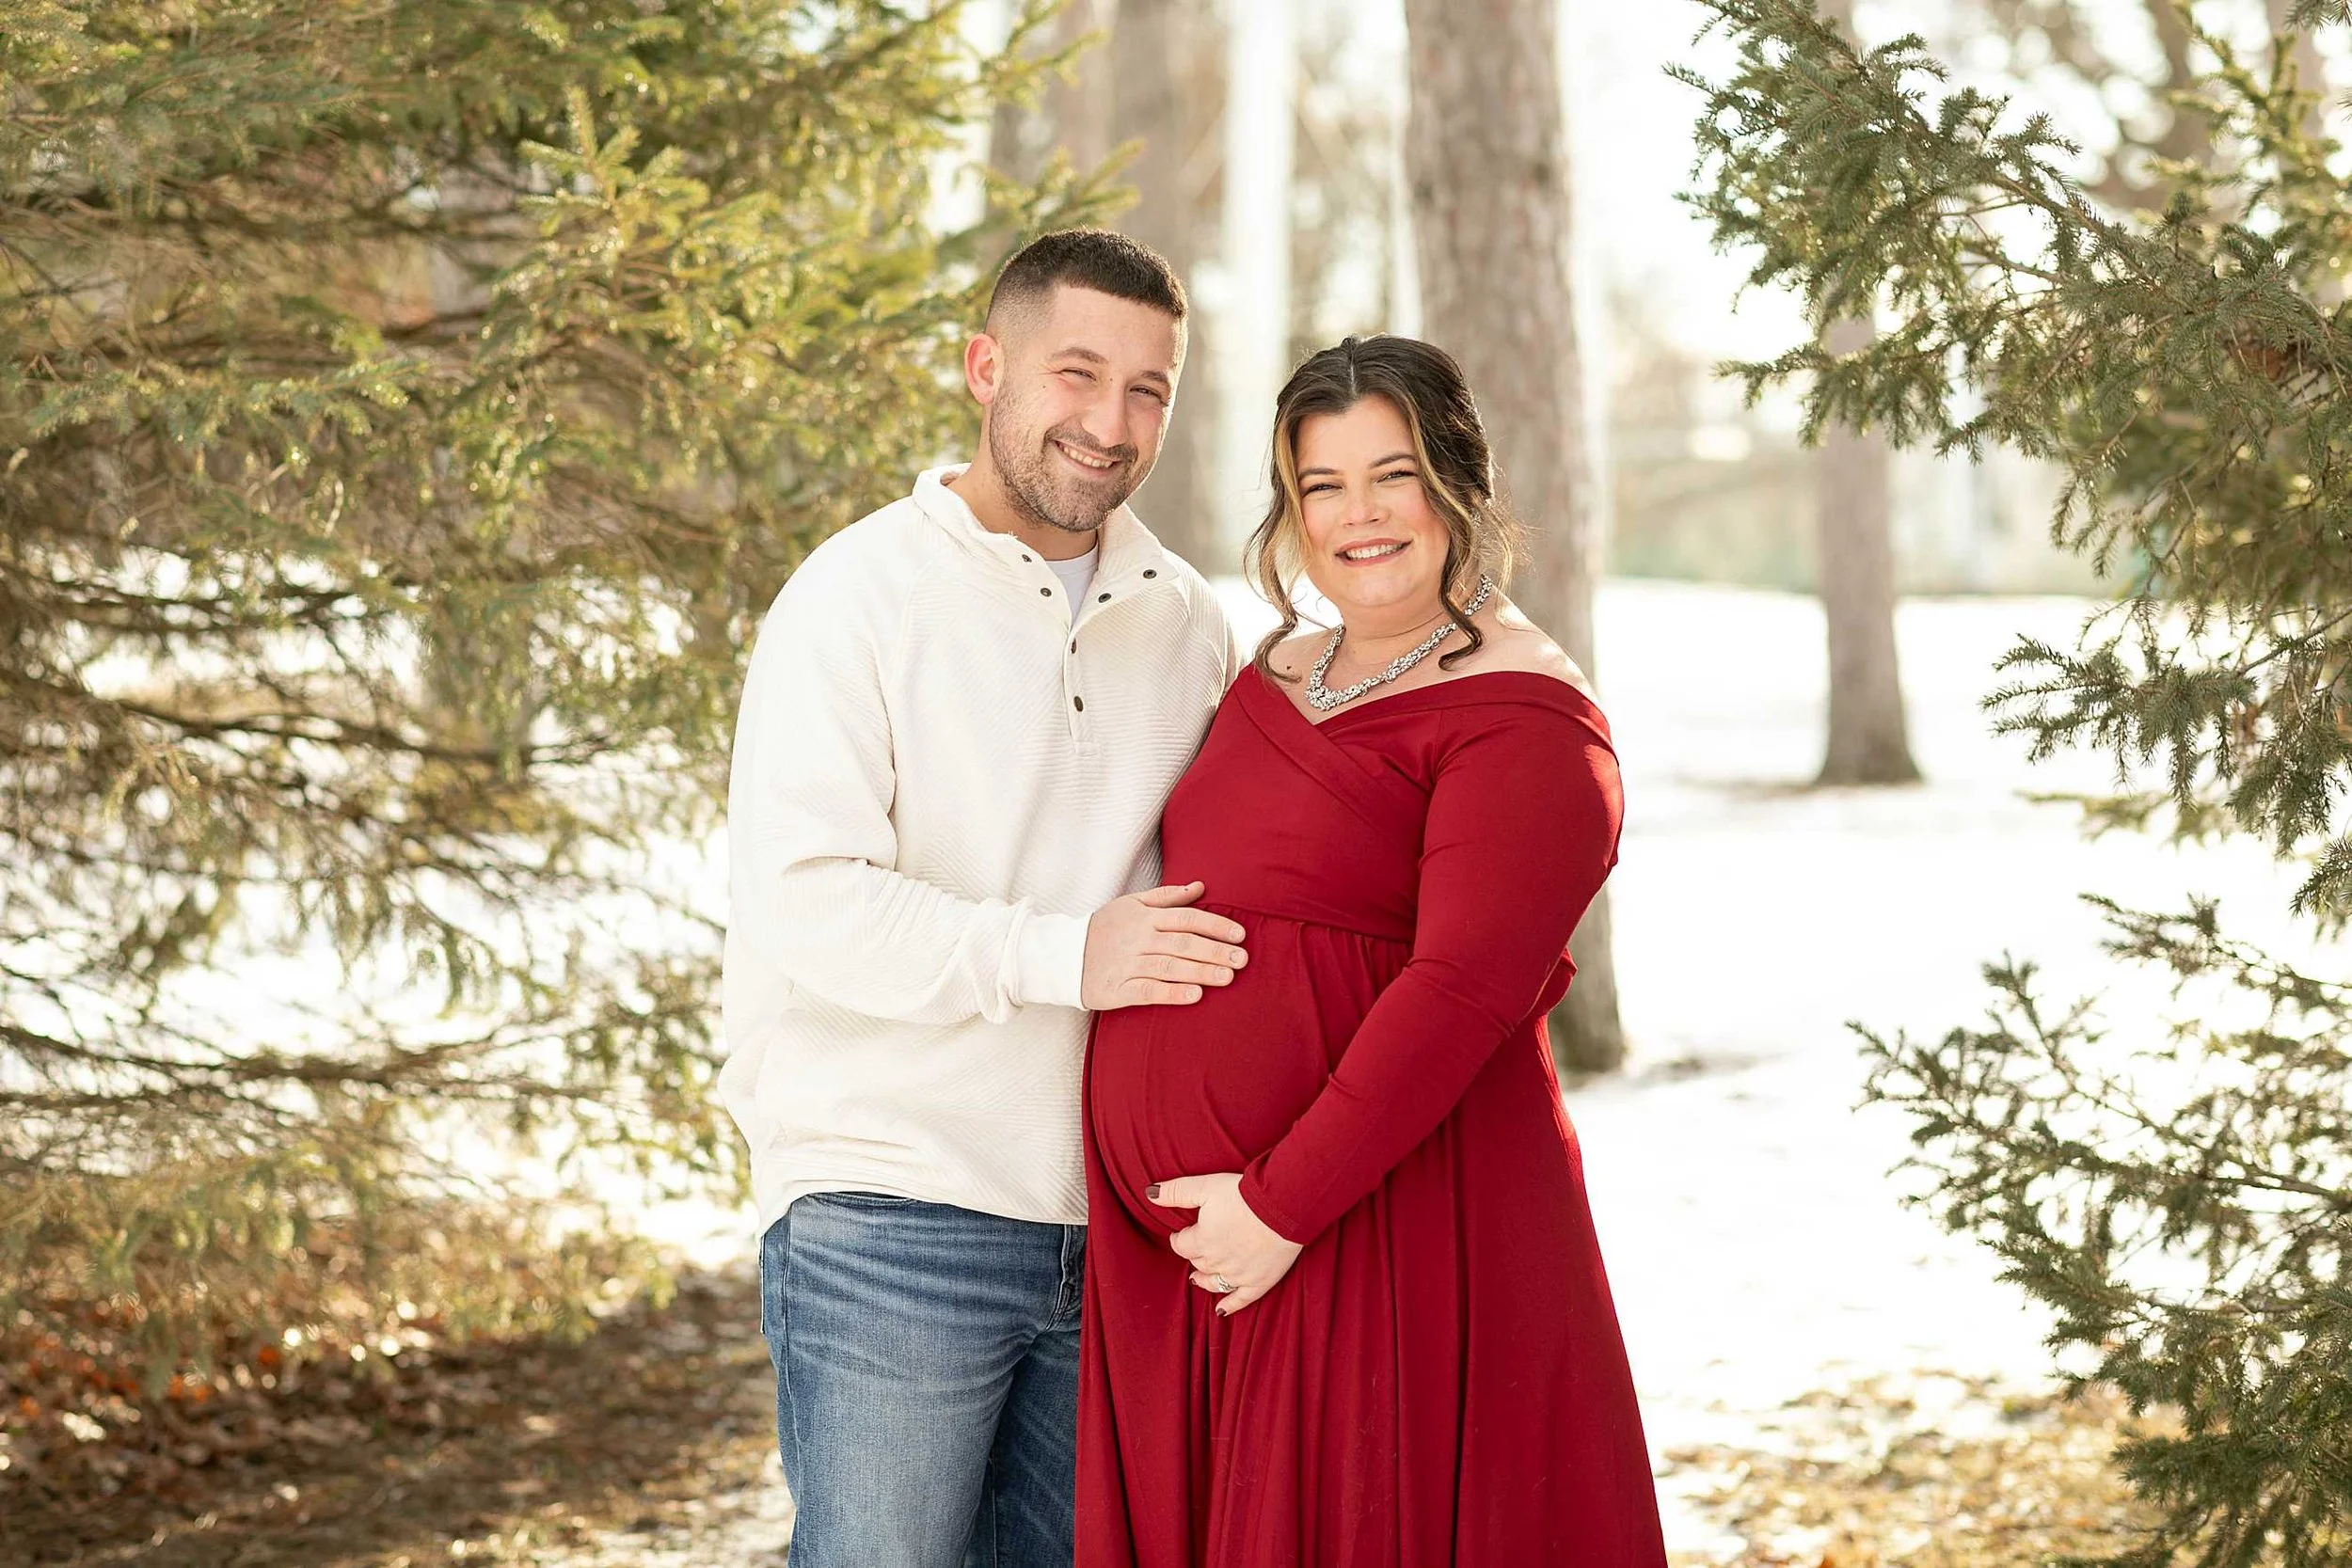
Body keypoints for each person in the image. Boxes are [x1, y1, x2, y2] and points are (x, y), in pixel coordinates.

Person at [1077, 335, 1669, 1565]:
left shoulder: (1530, 719)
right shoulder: (1282, 666)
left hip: (1371, 1235)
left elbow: (1460, 992)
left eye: (1390, 475)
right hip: (1214, 1262)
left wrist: (1280, 1204)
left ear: (1456, 477)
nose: (1359, 516)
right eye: (1322, 485)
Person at [720, 229, 1249, 1568]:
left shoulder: (1186, 623)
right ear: (984, 367)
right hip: (890, 1206)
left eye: (1149, 390)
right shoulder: (856, 597)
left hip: (1116, 1229)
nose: (1110, 422)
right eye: (1078, 372)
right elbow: (809, 902)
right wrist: (1066, 956)